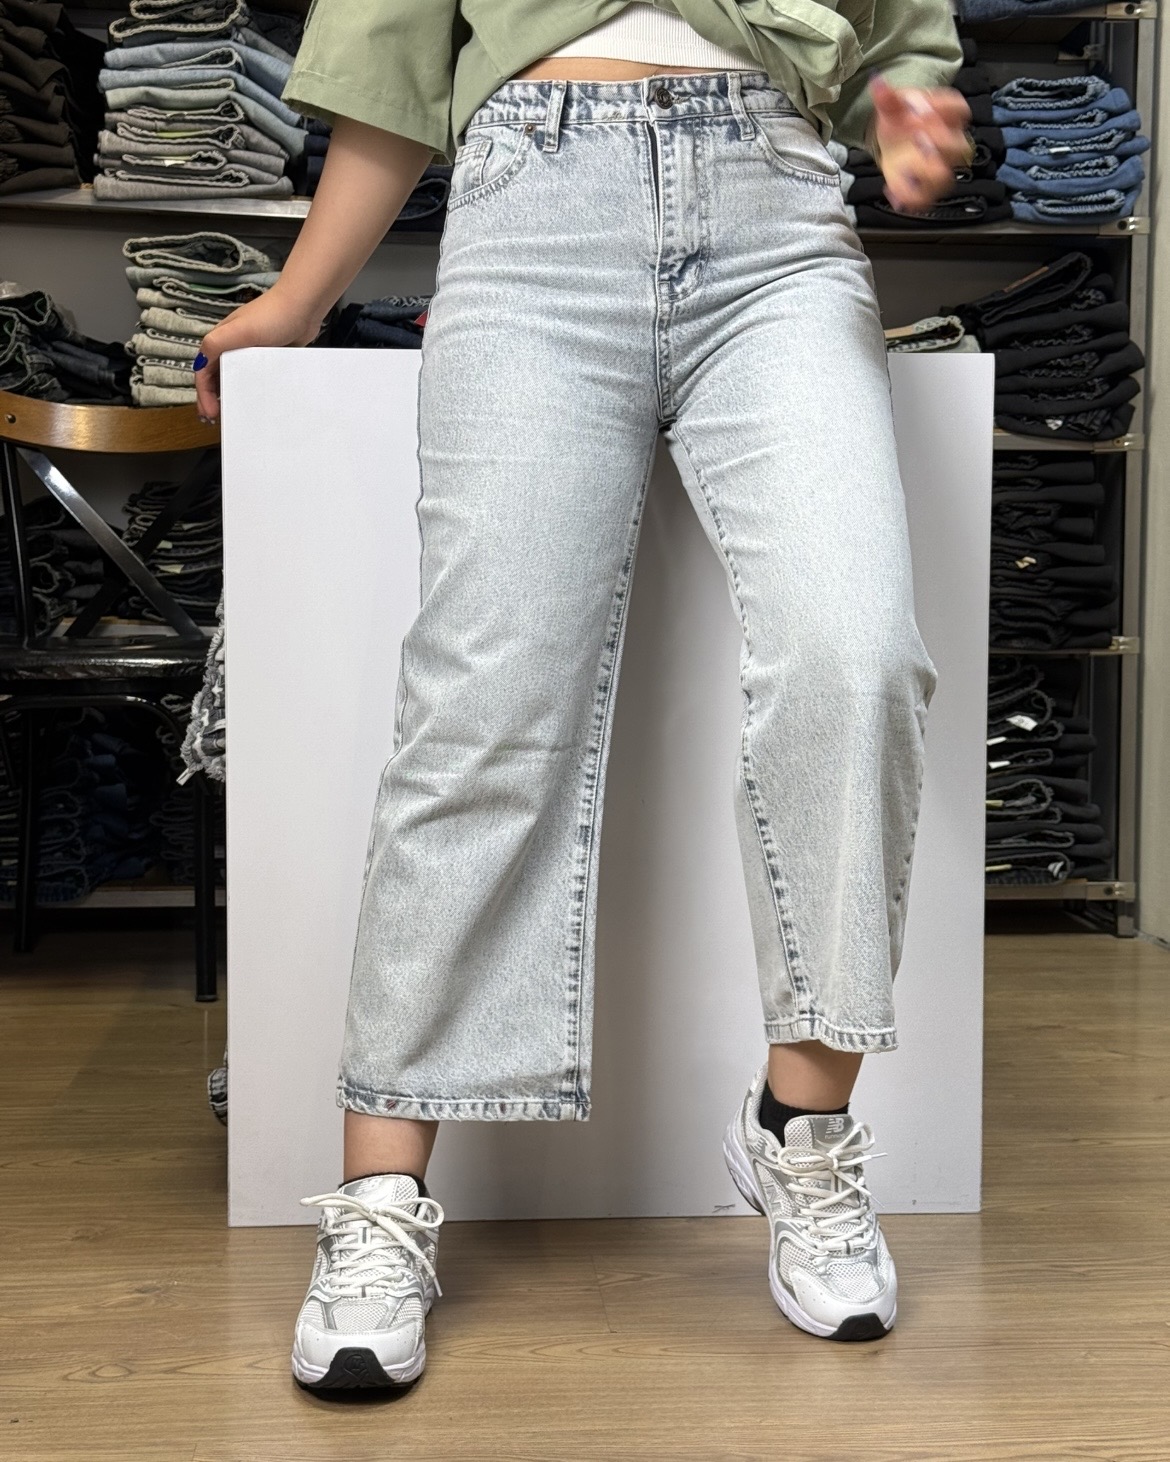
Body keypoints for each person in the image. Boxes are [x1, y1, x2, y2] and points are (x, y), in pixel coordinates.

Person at [193, 0, 971, 1392]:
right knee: (483, 700)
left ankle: (799, 1132)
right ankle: (377, 1201)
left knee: (854, 658)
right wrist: (298, 299)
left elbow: (899, 36)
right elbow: (391, 52)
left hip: (780, 224)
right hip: (530, 211)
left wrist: (900, 105)